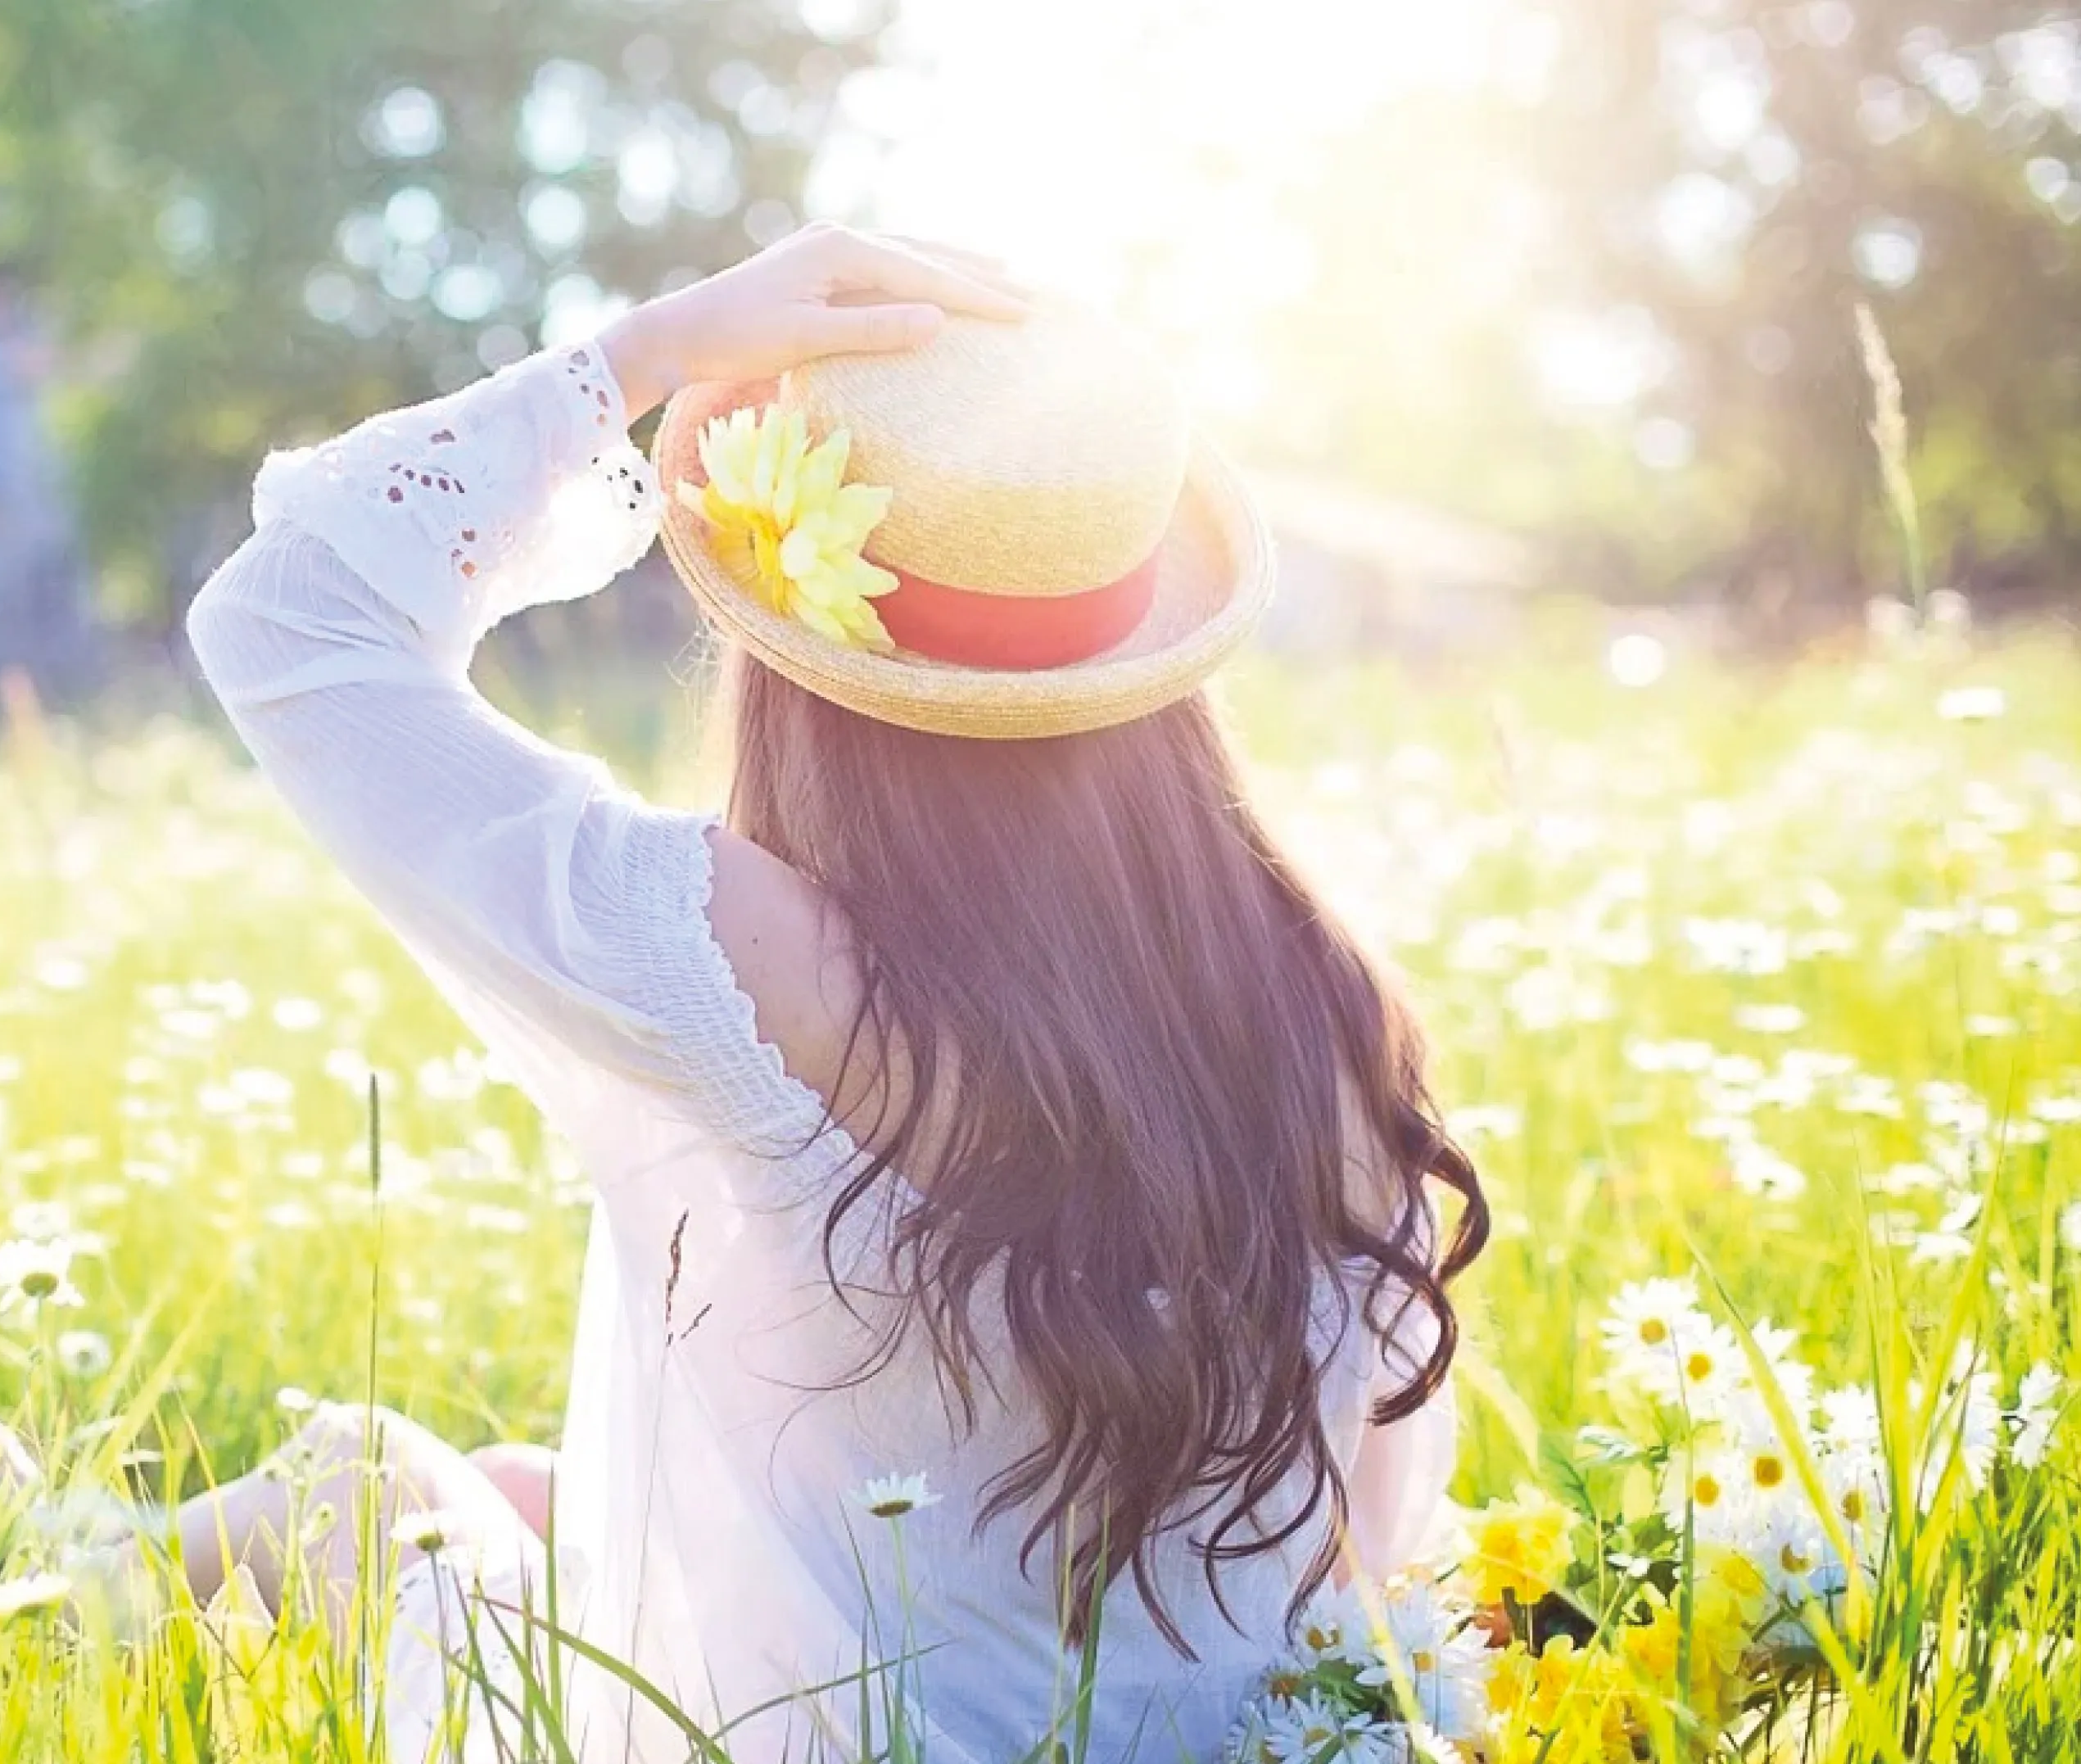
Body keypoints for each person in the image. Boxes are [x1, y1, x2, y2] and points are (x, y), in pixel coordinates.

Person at [147, 227, 1486, 1762]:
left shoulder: (744, 951)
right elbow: (1365, 1548)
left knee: (371, 1480)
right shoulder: (1316, 993)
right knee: (532, 1486)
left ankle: (19, 1580)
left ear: (795, 637)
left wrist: (639, 355)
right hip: (1224, 1737)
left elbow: (286, 616)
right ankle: (27, 1523)